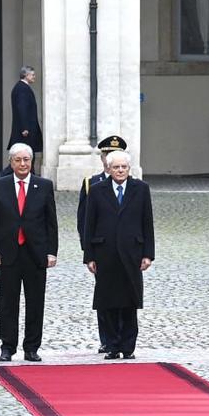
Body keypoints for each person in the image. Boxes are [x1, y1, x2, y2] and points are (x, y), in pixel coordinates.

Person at [0, 143, 58, 362]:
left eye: (26, 160)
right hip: (9, 252)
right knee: (8, 302)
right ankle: (7, 346)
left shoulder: (44, 186)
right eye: (18, 160)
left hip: (35, 252)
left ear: (32, 162)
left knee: (35, 302)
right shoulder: (1, 185)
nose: (23, 164)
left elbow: (51, 222)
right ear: (11, 162)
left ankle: (32, 347)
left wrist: (51, 252)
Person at [83, 150, 155, 360]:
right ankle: (112, 345)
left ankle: (128, 346)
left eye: (124, 167)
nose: (120, 170)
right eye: (116, 167)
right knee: (108, 301)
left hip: (133, 252)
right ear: (109, 168)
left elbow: (147, 223)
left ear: (129, 168)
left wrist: (148, 254)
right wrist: (89, 256)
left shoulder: (140, 189)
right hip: (105, 253)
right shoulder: (97, 191)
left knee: (130, 301)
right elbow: (90, 224)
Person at [77, 135, 128, 353]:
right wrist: (89, 252)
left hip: (126, 250)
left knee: (127, 294)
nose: (110, 160)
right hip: (102, 249)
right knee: (105, 294)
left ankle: (123, 338)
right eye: (106, 155)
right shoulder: (92, 184)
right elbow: (84, 221)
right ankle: (107, 338)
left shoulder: (133, 185)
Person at [9, 65, 43, 170]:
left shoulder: (22, 87)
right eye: (32, 75)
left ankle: (31, 176)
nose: (34, 77)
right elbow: (22, 108)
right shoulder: (22, 89)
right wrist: (24, 127)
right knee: (25, 155)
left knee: (26, 155)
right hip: (25, 131)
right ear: (25, 75)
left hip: (26, 129)